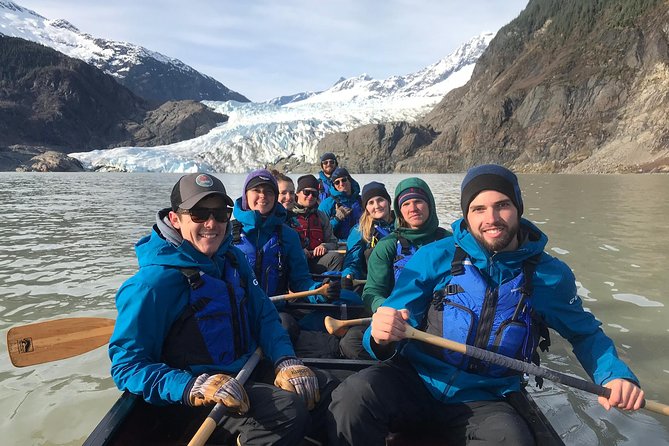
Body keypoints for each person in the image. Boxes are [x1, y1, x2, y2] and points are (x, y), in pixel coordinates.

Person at [328, 164, 645, 445]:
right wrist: (380, 335)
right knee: (353, 397)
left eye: (502, 206)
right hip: (417, 378)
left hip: (487, 395)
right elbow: (385, 325)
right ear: (466, 214)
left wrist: (613, 375)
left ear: (518, 207)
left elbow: (584, 333)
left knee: (513, 440)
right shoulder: (433, 256)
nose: (491, 219)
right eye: (478, 209)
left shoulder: (549, 275)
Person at [108, 173, 326, 446]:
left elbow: (264, 315)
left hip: (246, 372)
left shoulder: (232, 259)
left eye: (220, 214)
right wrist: (191, 386)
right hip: (192, 401)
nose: (211, 224)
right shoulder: (150, 285)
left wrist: (285, 359)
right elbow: (127, 366)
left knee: (327, 389)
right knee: (288, 410)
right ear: (175, 219)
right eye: (199, 214)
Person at [233, 169, 346, 357]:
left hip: (273, 312)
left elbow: (301, 282)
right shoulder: (228, 233)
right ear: (246, 195)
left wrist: (320, 291)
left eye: (269, 191)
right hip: (236, 312)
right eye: (257, 190)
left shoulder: (288, 236)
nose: (263, 196)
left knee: (286, 326)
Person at [361, 177, 450, 314]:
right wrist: (385, 310)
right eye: (406, 204)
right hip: (403, 318)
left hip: (444, 317)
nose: (413, 209)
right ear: (399, 211)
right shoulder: (387, 246)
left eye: (418, 201)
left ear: (430, 205)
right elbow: (372, 292)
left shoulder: (450, 242)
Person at [337, 181, 395, 359]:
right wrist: (349, 273)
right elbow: (352, 260)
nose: (376, 206)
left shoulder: (404, 225)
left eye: (380, 200)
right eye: (371, 202)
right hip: (374, 288)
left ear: (389, 202)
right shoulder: (360, 231)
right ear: (366, 207)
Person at [291, 174, 344, 274]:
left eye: (314, 194)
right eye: (306, 192)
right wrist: (299, 250)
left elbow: (333, 242)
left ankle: (328, 287)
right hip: (295, 260)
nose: (310, 196)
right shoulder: (289, 215)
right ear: (297, 193)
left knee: (336, 258)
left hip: (316, 260)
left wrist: (324, 246)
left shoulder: (321, 216)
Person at [318, 167, 363, 242]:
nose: (341, 184)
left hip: (361, 243)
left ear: (350, 180)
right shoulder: (327, 204)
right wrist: (336, 219)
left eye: (344, 180)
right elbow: (321, 232)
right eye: (337, 182)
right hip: (338, 245)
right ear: (334, 185)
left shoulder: (362, 200)